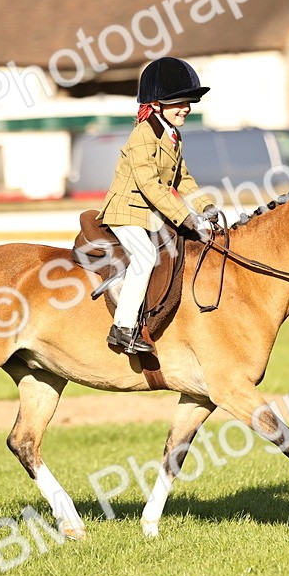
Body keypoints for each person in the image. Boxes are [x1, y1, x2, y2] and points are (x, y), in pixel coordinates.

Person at [96, 57, 219, 355]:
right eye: (180, 101)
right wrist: (183, 216)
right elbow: (150, 185)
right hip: (126, 211)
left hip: (147, 215)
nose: (186, 108)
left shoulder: (172, 136)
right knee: (146, 255)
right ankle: (122, 328)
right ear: (157, 104)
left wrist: (205, 206)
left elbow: (182, 178)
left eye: (189, 101)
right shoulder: (143, 136)